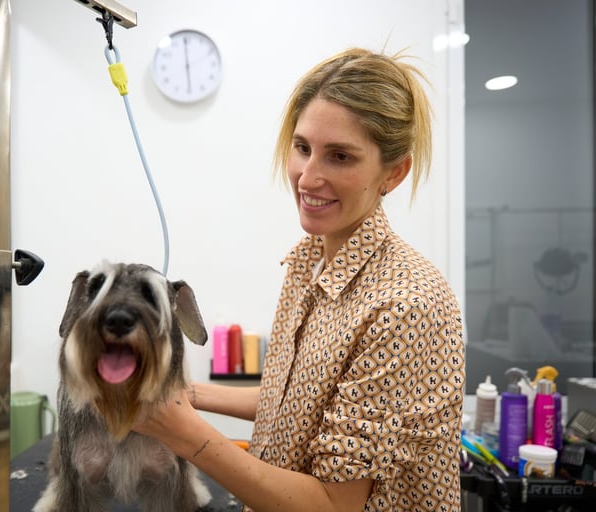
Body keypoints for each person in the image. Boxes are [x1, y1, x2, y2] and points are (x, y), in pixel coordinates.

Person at [134, 47, 465, 512]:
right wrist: (184, 394)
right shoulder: (308, 263)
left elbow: (335, 505)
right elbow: (294, 403)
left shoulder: (405, 305)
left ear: (394, 171)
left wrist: (184, 432)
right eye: (303, 148)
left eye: (340, 157)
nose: (308, 178)